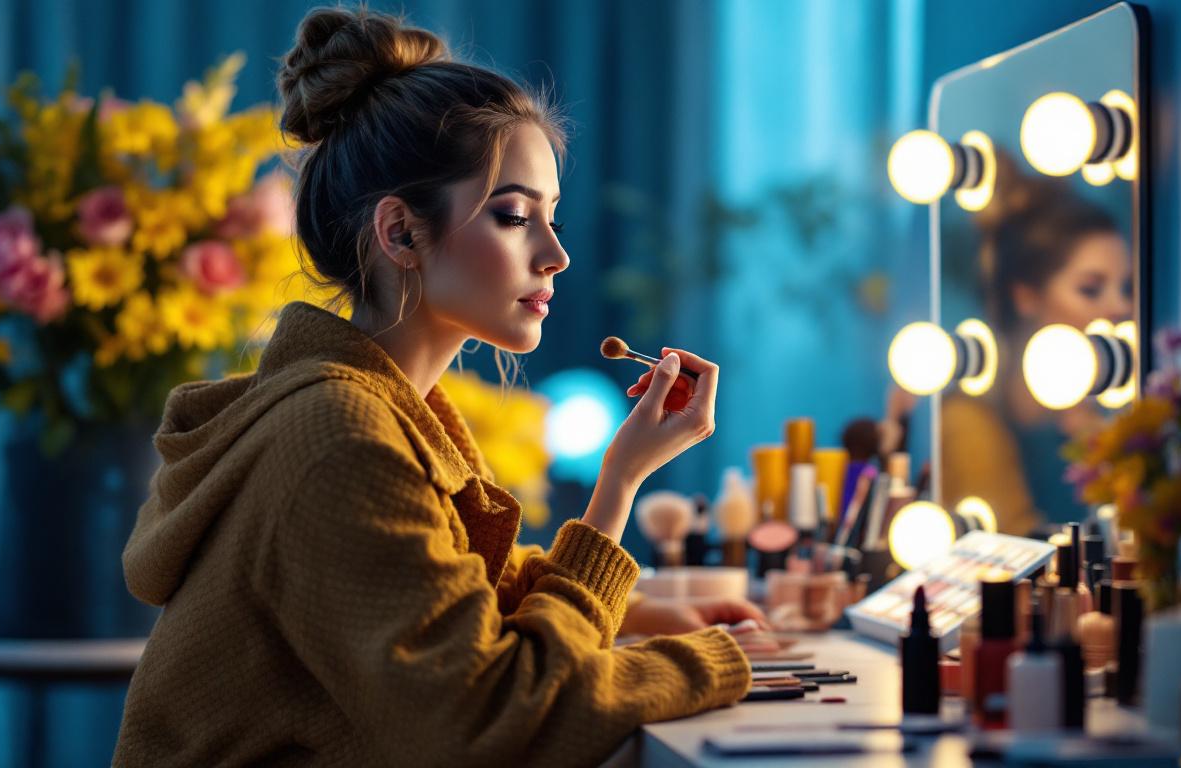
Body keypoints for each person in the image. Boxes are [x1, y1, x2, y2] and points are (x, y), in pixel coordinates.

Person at [113, 8, 755, 766]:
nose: (556, 255)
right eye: (515, 216)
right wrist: (708, 653)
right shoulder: (339, 438)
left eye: (552, 217)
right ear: (400, 233)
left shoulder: (390, 410)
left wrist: (647, 612)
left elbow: (475, 599)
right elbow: (492, 722)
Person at [941, 159, 1133, 534]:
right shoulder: (970, 422)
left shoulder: (1110, 424)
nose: (1121, 307)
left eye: (1127, 287)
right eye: (1091, 289)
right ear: (1027, 296)